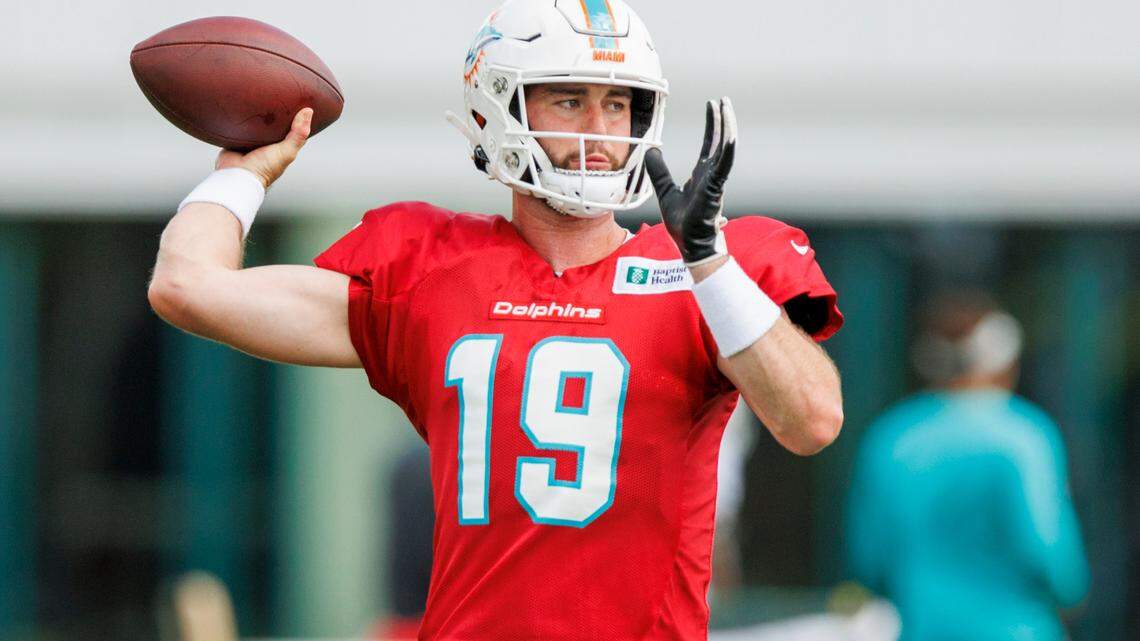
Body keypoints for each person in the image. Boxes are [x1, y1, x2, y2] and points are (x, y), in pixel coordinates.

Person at [147, 0, 845, 638]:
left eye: (617, 103)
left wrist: (710, 263)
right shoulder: (428, 270)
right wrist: (244, 172)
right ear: (494, 109)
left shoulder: (703, 272)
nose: (600, 131)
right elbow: (188, 286)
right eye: (570, 100)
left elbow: (812, 419)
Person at [844, 292, 1090, 641]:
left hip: (918, 629)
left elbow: (868, 557)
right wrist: (1070, 594)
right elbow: (1047, 551)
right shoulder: (1025, 435)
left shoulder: (891, 438)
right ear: (1004, 359)